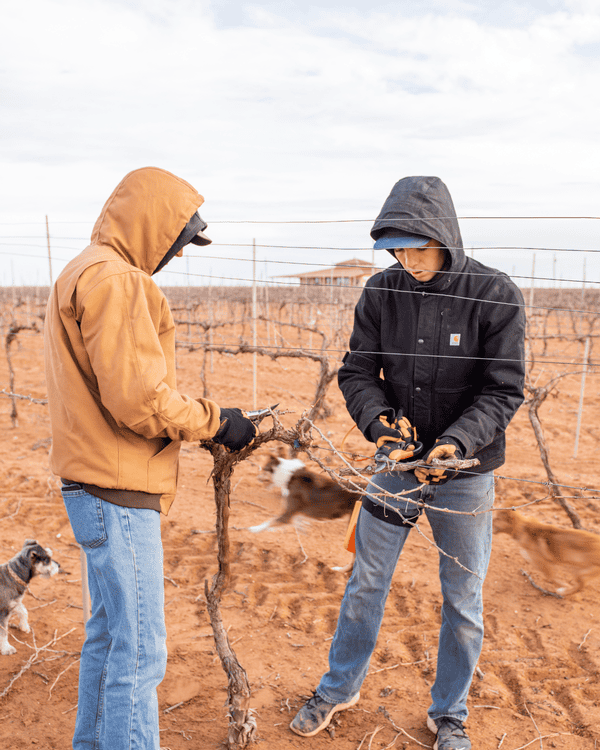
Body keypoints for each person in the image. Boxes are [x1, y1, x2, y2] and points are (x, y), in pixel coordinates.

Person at [290, 176, 525, 749]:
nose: (406, 259)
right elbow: (357, 373)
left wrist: (458, 444)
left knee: (462, 597)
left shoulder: (494, 293)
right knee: (366, 580)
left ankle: (450, 714)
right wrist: (380, 428)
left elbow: (503, 389)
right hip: (395, 467)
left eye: (416, 247)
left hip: (464, 474)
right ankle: (339, 686)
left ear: (443, 235)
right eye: (396, 249)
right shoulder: (381, 291)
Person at [44, 167, 257, 750]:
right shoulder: (119, 280)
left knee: (108, 637)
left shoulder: (80, 268)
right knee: (140, 652)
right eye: (179, 240)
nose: (178, 254)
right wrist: (220, 422)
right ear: (152, 228)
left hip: (88, 484)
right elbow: (139, 401)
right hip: (118, 490)